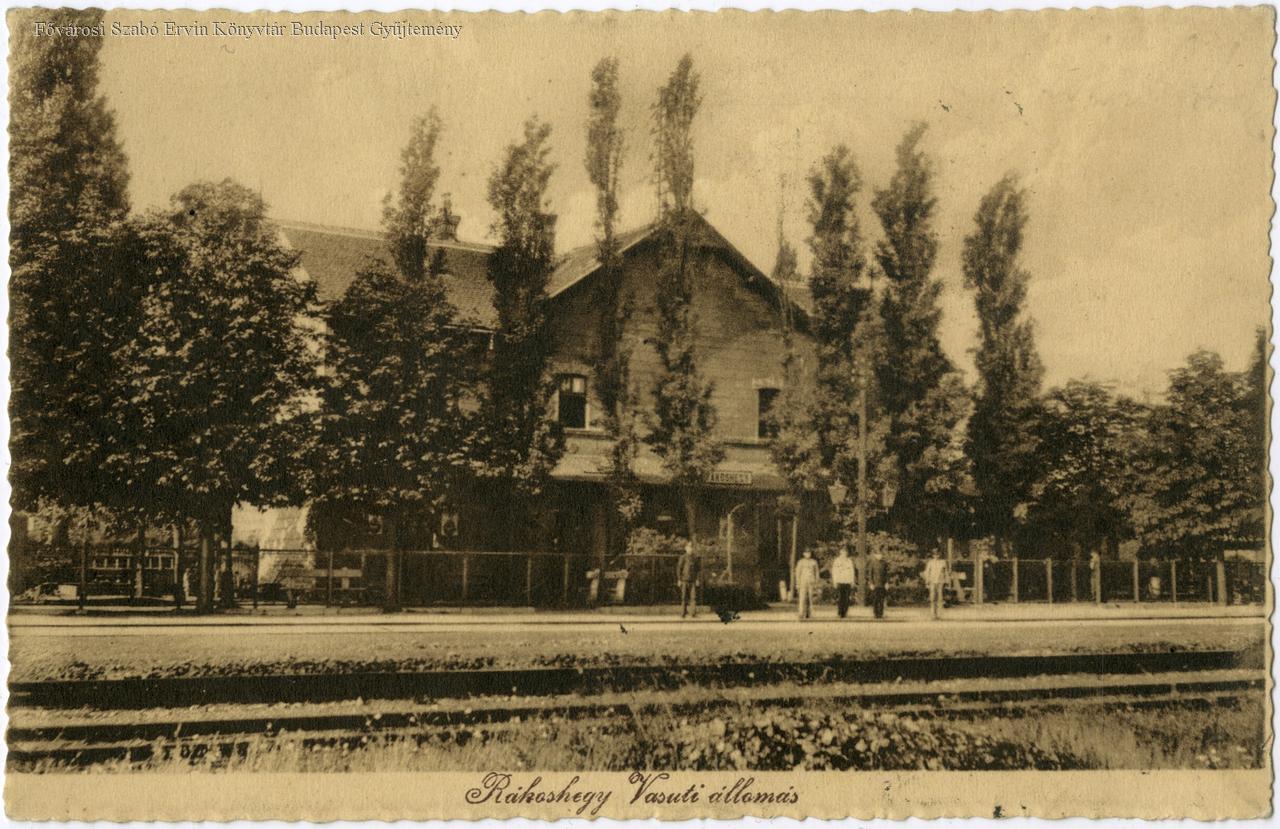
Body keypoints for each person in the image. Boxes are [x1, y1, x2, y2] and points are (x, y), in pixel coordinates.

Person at [677, 541, 701, 618]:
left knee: (693, 597)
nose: (690, 549)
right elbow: (679, 569)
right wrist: (679, 579)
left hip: (693, 580)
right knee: (684, 597)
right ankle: (683, 613)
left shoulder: (695, 558)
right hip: (684, 580)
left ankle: (693, 613)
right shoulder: (683, 557)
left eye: (691, 547)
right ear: (686, 548)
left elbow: (698, 570)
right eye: (689, 547)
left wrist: (697, 579)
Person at [794, 549, 820, 620]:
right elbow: (798, 573)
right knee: (802, 598)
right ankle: (801, 613)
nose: (808, 554)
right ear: (804, 554)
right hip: (803, 582)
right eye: (806, 553)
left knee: (810, 598)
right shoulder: (801, 562)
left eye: (809, 553)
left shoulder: (814, 562)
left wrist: (816, 581)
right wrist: (797, 583)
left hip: (811, 582)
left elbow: (817, 572)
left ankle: (809, 613)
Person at [923, 550, 948, 620]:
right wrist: (927, 582)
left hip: (940, 582)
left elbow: (945, 572)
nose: (936, 556)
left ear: (939, 555)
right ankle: (933, 615)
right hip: (932, 581)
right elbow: (927, 572)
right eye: (935, 554)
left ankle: (940, 615)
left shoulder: (943, 562)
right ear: (933, 555)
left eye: (937, 554)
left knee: (940, 598)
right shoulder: (930, 562)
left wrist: (946, 581)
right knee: (932, 598)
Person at [831, 547, 855, 618]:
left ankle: (845, 612)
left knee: (847, 598)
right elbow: (834, 571)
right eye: (842, 552)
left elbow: (852, 571)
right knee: (840, 597)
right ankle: (840, 612)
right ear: (840, 552)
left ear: (846, 553)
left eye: (845, 552)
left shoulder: (849, 561)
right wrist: (835, 581)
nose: (844, 554)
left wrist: (852, 581)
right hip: (840, 581)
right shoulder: (837, 561)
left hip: (847, 581)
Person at [868, 549, 887, 619]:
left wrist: (887, 583)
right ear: (875, 555)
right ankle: (875, 613)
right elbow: (870, 574)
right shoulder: (872, 563)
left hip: (882, 584)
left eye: (881, 554)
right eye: (878, 554)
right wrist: (871, 583)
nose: (880, 556)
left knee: (881, 600)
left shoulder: (884, 563)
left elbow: (886, 574)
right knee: (875, 599)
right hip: (875, 584)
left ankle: (880, 613)